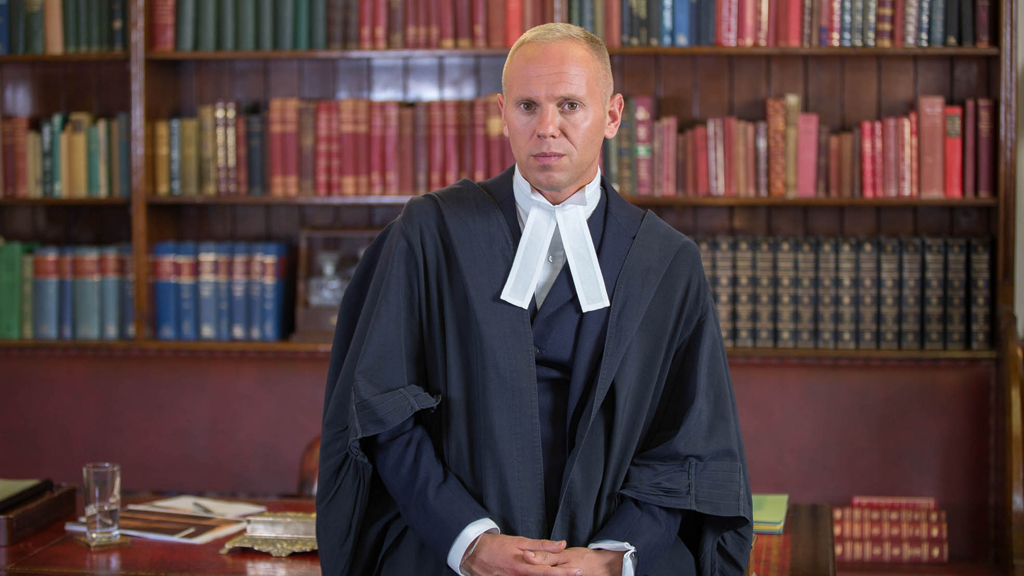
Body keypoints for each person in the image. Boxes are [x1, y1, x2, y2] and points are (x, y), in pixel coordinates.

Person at [316, 23, 753, 576]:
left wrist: (611, 559)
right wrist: (469, 543)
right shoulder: (429, 233)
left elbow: (687, 444)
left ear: (613, 115)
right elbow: (381, 411)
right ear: (503, 114)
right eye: (528, 106)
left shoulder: (668, 262)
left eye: (570, 105)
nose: (547, 127)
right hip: (445, 548)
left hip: (613, 556)